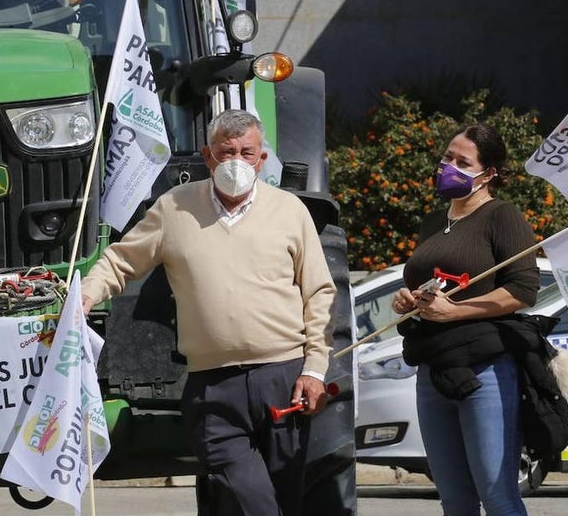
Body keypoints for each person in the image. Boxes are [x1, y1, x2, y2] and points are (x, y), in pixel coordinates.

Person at [82, 109, 335, 516]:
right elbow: (120, 262)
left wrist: (315, 369)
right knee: (256, 502)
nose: (236, 162)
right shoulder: (174, 208)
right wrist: (86, 296)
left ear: (262, 158)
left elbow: (319, 291)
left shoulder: (289, 210)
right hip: (213, 389)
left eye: (247, 152)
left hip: (283, 379)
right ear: (207, 156)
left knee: (285, 500)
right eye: (225, 152)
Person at [391, 124, 541, 516]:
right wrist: (409, 300)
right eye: (447, 158)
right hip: (433, 367)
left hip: (484, 370)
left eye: (463, 162)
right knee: (454, 501)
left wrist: (455, 311)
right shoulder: (432, 221)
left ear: (488, 173)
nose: (449, 167)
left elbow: (523, 290)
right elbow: (431, 284)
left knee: (497, 495)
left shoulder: (502, 216)